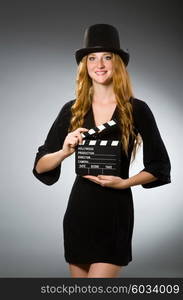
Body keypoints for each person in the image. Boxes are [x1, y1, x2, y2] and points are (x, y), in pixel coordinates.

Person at [32, 24, 171, 278]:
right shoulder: (72, 110)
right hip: (79, 212)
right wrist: (63, 152)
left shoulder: (136, 109)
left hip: (115, 213)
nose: (100, 64)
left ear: (117, 63)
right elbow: (41, 166)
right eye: (92, 58)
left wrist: (124, 183)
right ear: (85, 66)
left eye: (107, 57)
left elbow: (160, 167)